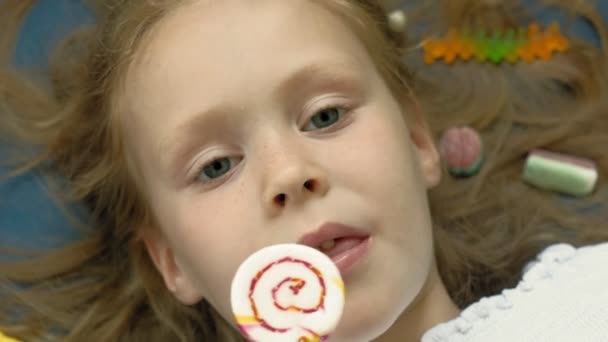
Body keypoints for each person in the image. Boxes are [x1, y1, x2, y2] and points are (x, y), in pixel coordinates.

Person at [1, 0, 607, 341]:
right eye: (215, 166)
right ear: (172, 262)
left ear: (419, 141)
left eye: (324, 116)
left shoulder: (587, 300)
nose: (289, 173)